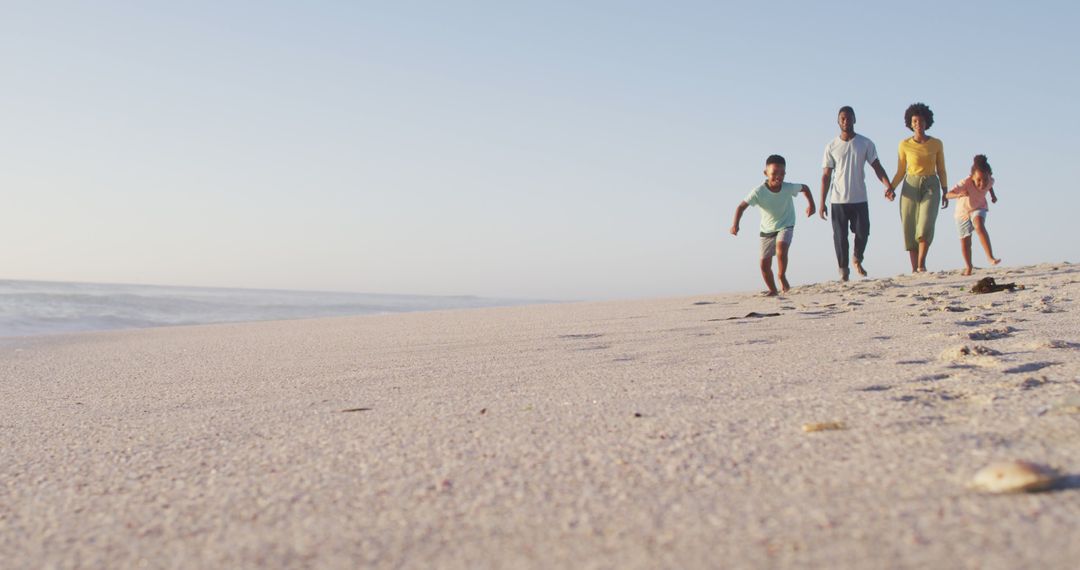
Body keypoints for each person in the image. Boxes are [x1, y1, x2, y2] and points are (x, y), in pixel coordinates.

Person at [819, 106, 894, 281]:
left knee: (863, 232)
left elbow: (877, 166)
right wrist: (821, 202)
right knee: (840, 236)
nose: (846, 121)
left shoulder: (865, 143)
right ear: (838, 121)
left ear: (854, 119)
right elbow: (825, 175)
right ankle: (843, 271)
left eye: (849, 118)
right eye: (842, 118)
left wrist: (887, 185)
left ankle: (857, 258)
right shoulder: (831, 146)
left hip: (859, 198)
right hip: (838, 199)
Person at [730, 154, 815, 296]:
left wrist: (811, 205)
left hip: (786, 224)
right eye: (774, 173)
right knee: (764, 264)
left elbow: (805, 188)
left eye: (781, 173)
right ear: (766, 173)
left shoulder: (788, 188)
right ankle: (773, 290)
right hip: (766, 230)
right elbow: (741, 207)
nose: (778, 176)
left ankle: (781, 275)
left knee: (781, 248)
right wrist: (735, 225)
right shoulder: (758, 192)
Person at [889, 102, 948, 273]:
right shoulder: (904, 144)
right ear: (910, 123)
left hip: (930, 184)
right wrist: (891, 187)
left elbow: (941, 168)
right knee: (909, 226)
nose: (918, 124)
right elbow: (900, 170)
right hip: (910, 184)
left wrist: (945, 189)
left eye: (921, 121)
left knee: (925, 224)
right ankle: (914, 269)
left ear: (926, 122)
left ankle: (922, 264)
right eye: (914, 121)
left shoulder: (936, 143)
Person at [945, 154, 1000, 275]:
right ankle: (968, 266)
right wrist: (958, 195)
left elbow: (990, 186)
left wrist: (993, 195)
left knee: (979, 225)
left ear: (989, 176)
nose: (982, 183)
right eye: (979, 180)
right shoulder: (965, 182)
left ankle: (990, 257)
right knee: (966, 242)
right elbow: (947, 195)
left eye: (985, 179)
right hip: (962, 212)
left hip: (979, 207)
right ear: (972, 177)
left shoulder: (990, 181)